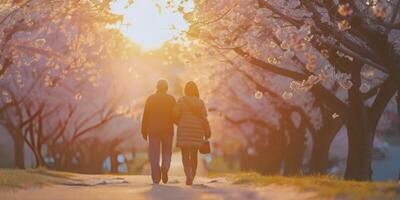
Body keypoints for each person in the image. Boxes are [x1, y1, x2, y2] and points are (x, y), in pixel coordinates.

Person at [173, 81, 211, 185]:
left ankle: (188, 174)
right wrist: (207, 132)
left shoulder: (181, 100)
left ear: (186, 90)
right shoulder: (201, 102)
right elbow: (204, 118)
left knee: (185, 153)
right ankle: (193, 174)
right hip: (197, 130)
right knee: (194, 154)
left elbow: (174, 114)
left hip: (184, 129)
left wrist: (179, 122)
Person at [141, 79, 176, 184]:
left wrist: (143, 131)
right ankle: (165, 167)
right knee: (167, 151)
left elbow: (145, 116)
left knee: (154, 154)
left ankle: (156, 177)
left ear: (157, 87)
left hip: (153, 130)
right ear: (166, 88)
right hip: (167, 130)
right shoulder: (171, 99)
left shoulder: (150, 99)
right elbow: (175, 115)